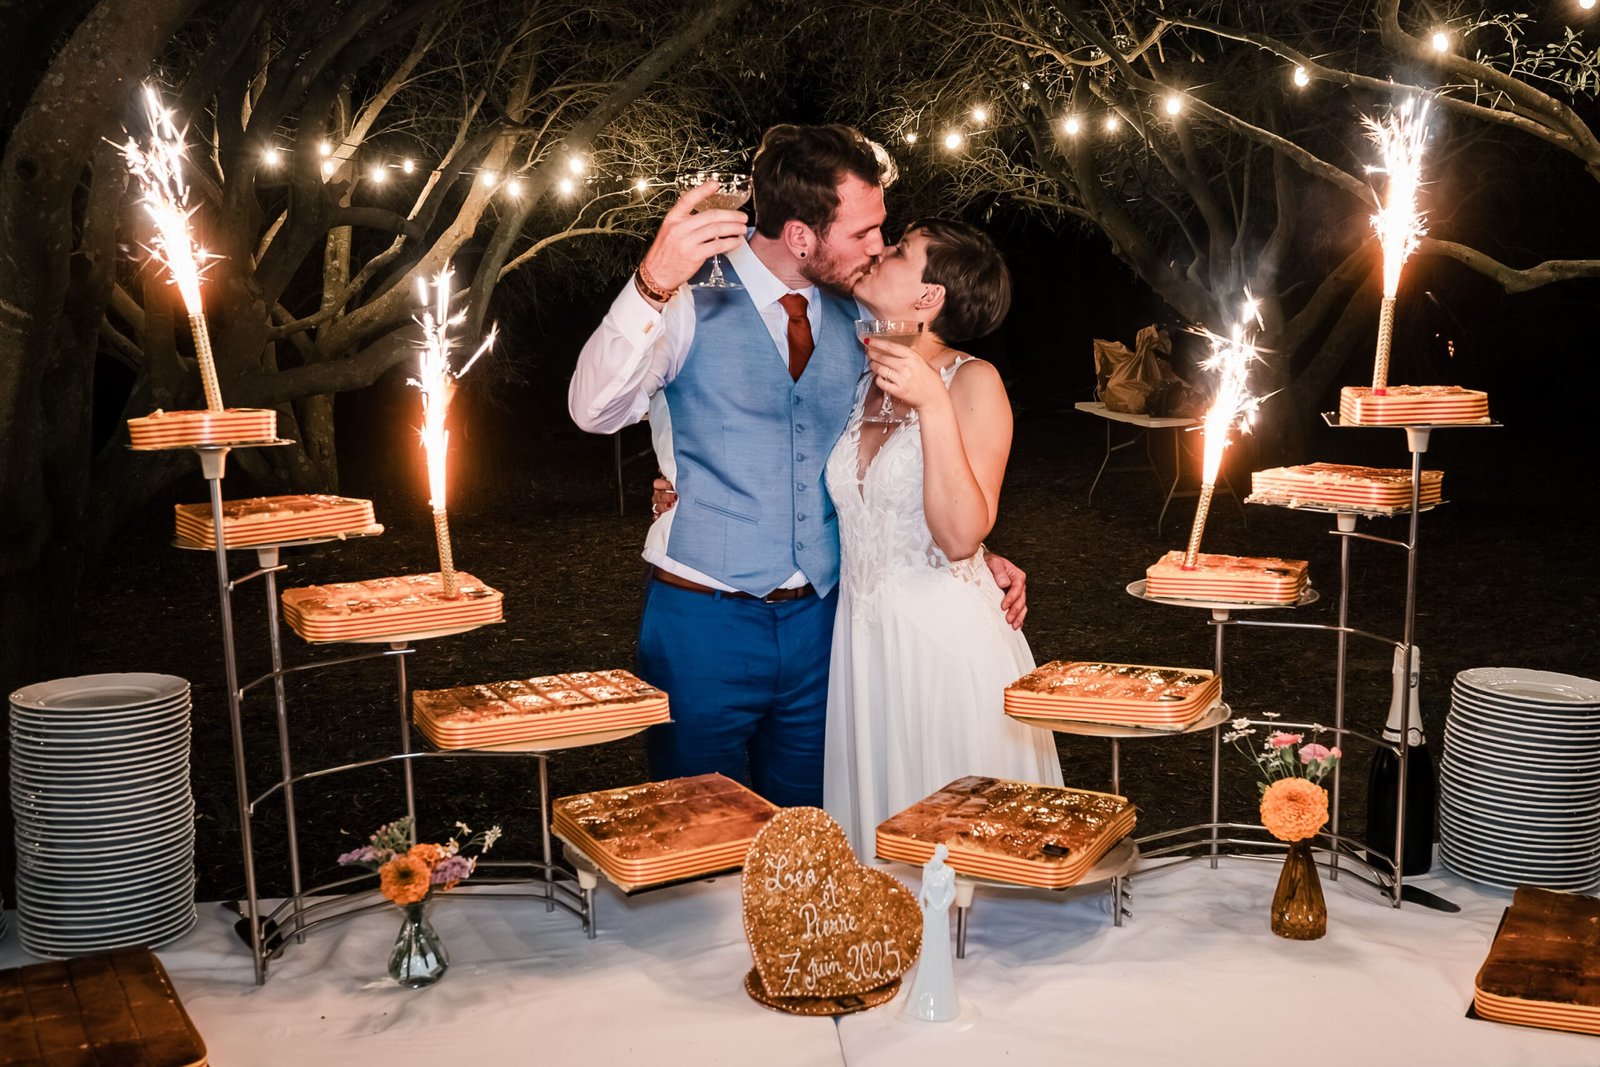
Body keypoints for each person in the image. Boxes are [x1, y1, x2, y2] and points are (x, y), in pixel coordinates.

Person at [568, 124, 1027, 808]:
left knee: (818, 836)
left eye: (886, 234)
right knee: (703, 827)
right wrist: (650, 284)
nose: (877, 246)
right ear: (803, 235)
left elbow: (896, 457)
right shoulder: (686, 300)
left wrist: (970, 553)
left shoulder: (867, 321)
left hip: (829, 631)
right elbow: (592, 410)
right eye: (866, 231)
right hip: (704, 619)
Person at [822, 218, 1062, 858]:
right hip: (864, 646)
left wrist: (932, 405)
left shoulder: (972, 383)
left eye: (900, 251)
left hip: (944, 649)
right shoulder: (862, 380)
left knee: (957, 855)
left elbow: (959, 537)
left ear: (929, 299)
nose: (880, 251)